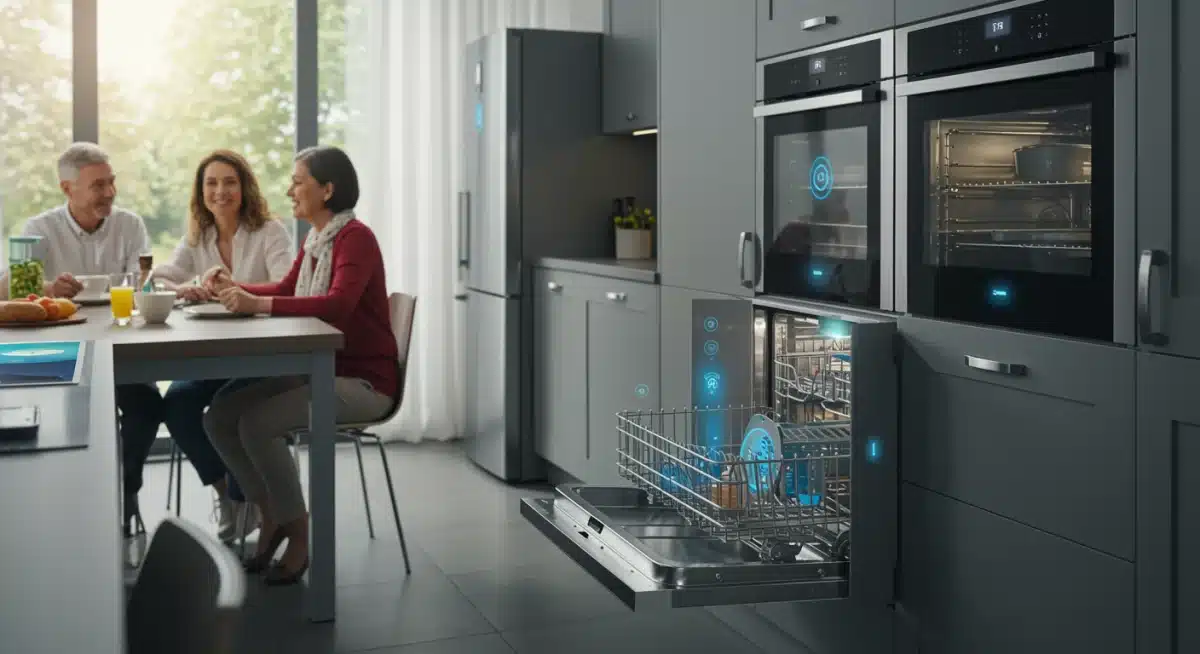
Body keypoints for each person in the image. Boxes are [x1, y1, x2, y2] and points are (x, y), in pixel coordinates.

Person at [203, 146, 396, 585]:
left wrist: (257, 303)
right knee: (220, 416)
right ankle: (271, 513)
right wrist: (230, 289)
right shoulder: (318, 239)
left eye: (298, 181)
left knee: (256, 423)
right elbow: (287, 288)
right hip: (324, 369)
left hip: (362, 381)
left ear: (327, 190)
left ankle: (299, 531)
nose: (289, 190)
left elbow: (339, 305)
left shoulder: (355, 238)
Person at [9, 143, 164, 531]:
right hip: (62, 355)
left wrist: (140, 286)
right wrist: (46, 287)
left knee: (147, 404)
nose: (109, 192)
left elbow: (143, 285)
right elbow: (11, 293)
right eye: (98, 185)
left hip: (121, 346)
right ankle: (67, 500)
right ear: (68, 189)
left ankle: (125, 491)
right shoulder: (38, 230)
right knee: (64, 413)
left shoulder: (130, 225)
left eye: (111, 183)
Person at [153, 149, 294, 544]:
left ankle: (246, 495)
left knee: (227, 409)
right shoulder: (199, 237)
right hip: (217, 358)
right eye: (211, 183)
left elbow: (287, 285)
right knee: (178, 403)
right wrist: (185, 286)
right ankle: (231, 498)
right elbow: (160, 278)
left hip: (263, 358)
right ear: (201, 192)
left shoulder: (270, 232)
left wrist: (233, 285)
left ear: (244, 187)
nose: (220, 191)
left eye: (229, 182)